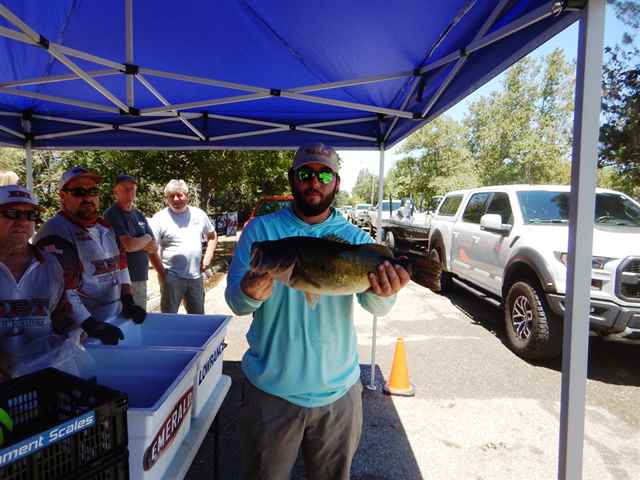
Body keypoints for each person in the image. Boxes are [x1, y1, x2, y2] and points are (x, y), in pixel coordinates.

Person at [225, 142, 410, 480]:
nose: (314, 182)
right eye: (306, 173)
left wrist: (387, 290)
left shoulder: (355, 239)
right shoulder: (260, 232)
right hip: (270, 393)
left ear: (336, 183)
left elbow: (376, 306)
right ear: (292, 178)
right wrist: (248, 293)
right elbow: (236, 304)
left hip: (339, 395)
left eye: (325, 175)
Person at [34, 166, 146, 345]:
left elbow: (122, 266)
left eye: (93, 191)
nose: (87, 197)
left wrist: (128, 300)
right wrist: (90, 324)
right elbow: (63, 289)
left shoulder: (105, 227)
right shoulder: (54, 232)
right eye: (78, 192)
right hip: (80, 335)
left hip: (115, 321)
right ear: (63, 196)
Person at [0, 185, 80, 381]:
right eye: (12, 213)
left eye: (31, 215)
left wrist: (72, 330)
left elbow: (59, 313)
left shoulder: (51, 265)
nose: (23, 222)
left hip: (42, 376)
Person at [149, 179, 217, 314]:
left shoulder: (199, 214)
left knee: (197, 317)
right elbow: (150, 248)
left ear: (187, 196)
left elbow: (212, 236)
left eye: (179, 195)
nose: (176, 199)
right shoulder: (159, 218)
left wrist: (207, 259)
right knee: (169, 318)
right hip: (171, 277)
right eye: (171, 196)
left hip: (196, 277)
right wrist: (162, 273)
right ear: (167, 198)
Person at [104, 174, 163, 309]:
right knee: (125, 316)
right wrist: (146, 238)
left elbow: (154, 247)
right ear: (115, 191)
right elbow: (128, 245)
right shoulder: (112, 214)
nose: (130, 192)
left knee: (140, 314)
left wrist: (138, 242)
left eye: (132, 189)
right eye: (125, 189)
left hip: (140, 277)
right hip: (121, 281)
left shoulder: (138, 214)